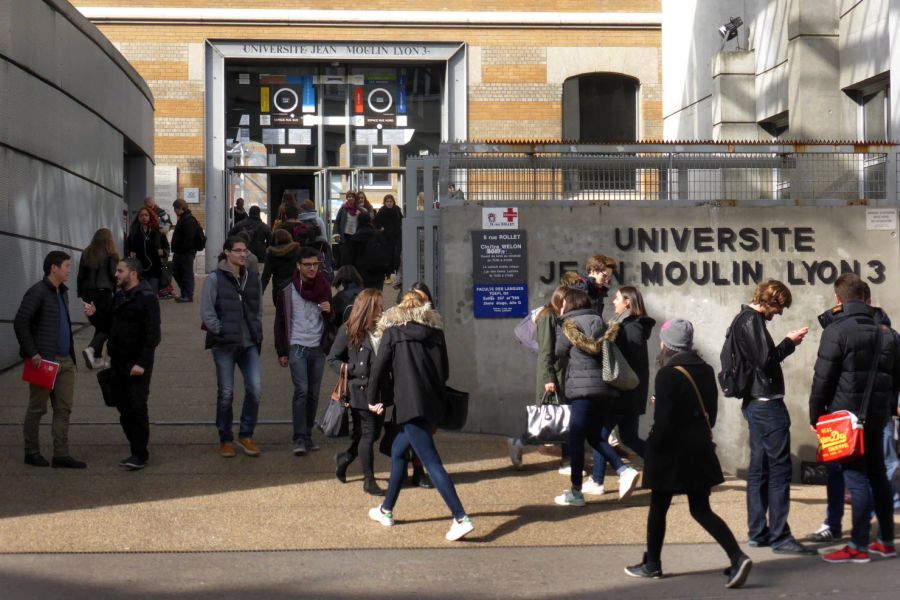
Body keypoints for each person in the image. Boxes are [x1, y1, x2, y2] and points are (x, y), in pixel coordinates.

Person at [625, 320, 752, 588]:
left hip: (671, 454)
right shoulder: (705, 370)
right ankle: (737, 556)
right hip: (700, 450)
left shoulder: (667, 374)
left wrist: (651, 449)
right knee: (701, 509)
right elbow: (711, 415)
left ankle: (653, 565)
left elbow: (664, 423)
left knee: (658, 508)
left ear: (667, 344)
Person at [366, 292, 475, 541]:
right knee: (397, 451)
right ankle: (386, 510)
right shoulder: (436, 335)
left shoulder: (393, 334)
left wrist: (373, 399)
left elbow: (378, 370)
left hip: (408, 405)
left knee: (432, 462)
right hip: (433, 404)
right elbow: (444, 372)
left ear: (400, 310)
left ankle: (460, 517)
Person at [809, 273, 900, 563]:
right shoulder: (889, 333)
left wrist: (816, 415)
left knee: (856, 478)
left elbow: (822, 379)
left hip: (844, 417)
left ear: (838, 300)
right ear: (867, 298)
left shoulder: (837, 330)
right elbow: (896, 378)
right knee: (878, 475)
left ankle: (859, 546)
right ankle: (885, 540)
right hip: (877, 415)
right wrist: (888, 407)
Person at [729, 280, 814, 555]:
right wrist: (790, 342)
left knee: (759, 468)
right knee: (779, 471)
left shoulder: (746, 320)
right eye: (778, 307)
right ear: (768, 301)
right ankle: (780, 536)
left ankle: (758, 532)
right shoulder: (750, 321)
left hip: (756, 403)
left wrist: (788, 343)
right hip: (766, 405)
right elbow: (766, 360)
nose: (778, 313)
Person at [554, 287, 636, 506]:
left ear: (569, 304)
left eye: (563, 304)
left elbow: (557, 352)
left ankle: (576, 492)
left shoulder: (569, 326)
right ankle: (623, 469)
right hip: (605, 389)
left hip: (582, 391)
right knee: (594, 435)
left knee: (576, 439)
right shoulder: (601, 322)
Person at [83, 257, 161, 470]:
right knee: (123, 408)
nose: (116, 274)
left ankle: (140, 453)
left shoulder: (147, 299)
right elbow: (108, 326)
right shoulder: (119, 296)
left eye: (120, 271)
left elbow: (152, 336)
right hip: (117, 361)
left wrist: (142, 363)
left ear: (133, 273)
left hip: (136, 364)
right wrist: (94, 316)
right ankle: (135, 448)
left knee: (137, 407)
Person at [14, 251, 85, 469]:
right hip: (43, 362)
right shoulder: (37, 292)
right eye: (66, 265)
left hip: (65, 361)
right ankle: (31, 451)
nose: (69, 270)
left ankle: (61, 454)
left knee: (63, 409)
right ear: (53, 268)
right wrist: (32, 352)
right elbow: (21, 322)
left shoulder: (61, 292)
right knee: (37, 409)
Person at [586, 286, 655, 495]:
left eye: (616, 298)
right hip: (630, 393)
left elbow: (630, 363)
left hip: (623, 393)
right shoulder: (629, 325)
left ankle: (598, 481)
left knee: (599, 434)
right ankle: (667, 467)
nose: (613, 302)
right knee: (629, 438)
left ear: (627, 302)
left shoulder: (630, 327)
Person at [201, 236, 264, 458]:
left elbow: (257, 309)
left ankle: (246, 434)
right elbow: (207, 312)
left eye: (244, 251)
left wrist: (257, 330)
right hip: (225, 344)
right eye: (237, 251)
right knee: (226, 393)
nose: (242, 255)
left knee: (254, 389)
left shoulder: (252, 278)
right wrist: (220, 330)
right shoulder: (215, 279)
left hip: (248, 343)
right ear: (227, 252)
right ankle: (225, 438)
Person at [329, 289, 389, 496]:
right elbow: (333, 359)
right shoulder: (348, 330)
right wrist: (354, 370)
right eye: (378, 307)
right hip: (359, 391)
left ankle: (344, 459)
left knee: (372, 434)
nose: (381, 310)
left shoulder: (383, 329)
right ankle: (369, 480)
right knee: (368, 432)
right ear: (367, 308)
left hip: (379, 390)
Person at [274, 246, 332, 456]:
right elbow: (280, 321)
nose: (312, 268)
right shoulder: (288, 290)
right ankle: (298, 437)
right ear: (298, 266)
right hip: (297, 346)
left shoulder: (324, 287)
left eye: (315, 264)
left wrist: (329, 311)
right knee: (302, 390)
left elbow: (330, 321)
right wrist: (282, 350)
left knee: (314, 394)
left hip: (317, 346)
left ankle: (307, 434)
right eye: (307, 265)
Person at [508, 285, 568, 469]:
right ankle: (518, 443)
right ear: (560, 300)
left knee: (563, 419)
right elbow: (545, 352)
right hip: (552, 377)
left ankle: (568, 460)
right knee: (547, 420)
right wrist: (549, 378)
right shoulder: (548, 316)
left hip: (559, 375)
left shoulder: (558, 317)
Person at [77, 228, 119, 369]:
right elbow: (114, 275)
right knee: (109, 326)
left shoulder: (86, 253)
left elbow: (80, 275)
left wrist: (80, 294)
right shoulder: (111, 254)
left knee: (100, 325)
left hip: (87, 294)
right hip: (103, 293)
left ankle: (97, 358)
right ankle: (91, 349)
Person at [171, 198, 204, 303]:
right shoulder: (184, 218)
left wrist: (181, 249)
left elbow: (188, 238)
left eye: (175, 209)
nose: (174, 211)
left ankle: (187, 295)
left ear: (179, 208)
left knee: (186, 274)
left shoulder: (188, 220)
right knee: (177, 272)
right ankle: (185, 293)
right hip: (182, 252)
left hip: (185, 253)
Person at [126, 207, 166, 294]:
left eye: (146, 215)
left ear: (150, 217)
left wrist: (163, 252)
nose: (144, 217)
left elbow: (166, 247)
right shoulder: (134, 232)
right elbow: (127, 247)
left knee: (152, 293)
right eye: (141, 216)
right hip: (140, 268)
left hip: (155, 267)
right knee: (141, 293)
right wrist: (130, 252)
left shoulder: (157, 232)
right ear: (138, 218)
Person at [347, 212, 390, 290]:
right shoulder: (378, 235)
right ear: (370, 221)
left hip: (360, 272)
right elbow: (386, 252)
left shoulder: (355, 238)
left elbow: (349, 258)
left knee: (362, 295)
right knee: (376, 295)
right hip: (377, 271)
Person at [261, 229, 300, 307]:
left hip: (278, 288)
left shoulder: (271, 254)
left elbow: (266, 275)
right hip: (295, 286)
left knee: (281, 314)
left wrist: (260, 292)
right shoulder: (297, 251)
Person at [374, 194, 403, 279]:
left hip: (396, 236)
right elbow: (376, 223)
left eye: (391, 201)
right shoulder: (381, 211)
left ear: (393, 202)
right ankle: (388, 275)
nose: (389, 203)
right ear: (384, 202)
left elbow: (402, 220)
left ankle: (398, 275)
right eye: (387, 201)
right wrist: (381, 229)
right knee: (387, 256)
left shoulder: (397, 210)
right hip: (385, 238)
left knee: (397, 255)